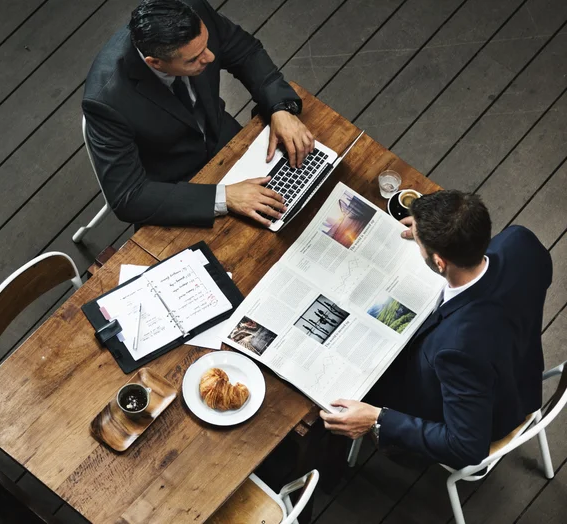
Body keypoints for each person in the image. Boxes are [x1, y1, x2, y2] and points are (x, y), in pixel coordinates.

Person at [320, 191, 553, 469]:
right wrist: (429, 233)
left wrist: (377, 419)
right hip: (519, 373)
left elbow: (466, 447)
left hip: (486, 414)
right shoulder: (520, 243)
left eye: (419, 243)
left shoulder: (458, 347)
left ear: (439, 262)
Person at [83, 0, 315, 228]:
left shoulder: (194, 9)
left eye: (207, 44)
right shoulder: (106, 102)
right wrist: (226, 198)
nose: (211, 57)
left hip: (224, 137)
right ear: (156, 63)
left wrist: (280, 108)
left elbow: (246, 52)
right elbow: (128, 197)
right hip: (177, 186)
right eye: (194, 59)